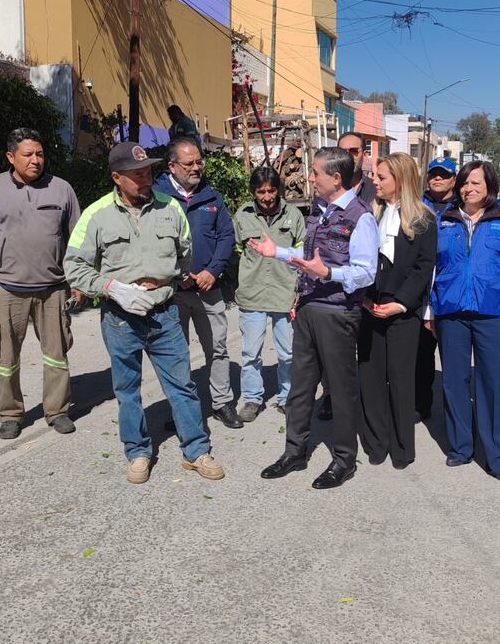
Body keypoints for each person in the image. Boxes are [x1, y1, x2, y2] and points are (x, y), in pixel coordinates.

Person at [63, 141, 224, 485]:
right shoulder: (96, 215)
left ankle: (196, 450)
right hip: (120, 318)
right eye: (137, 175)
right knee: (127, 389)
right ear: (117, 178)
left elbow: (184, 254)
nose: (146, 179)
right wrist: (112, 289)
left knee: (182, 385)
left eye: (149, 171)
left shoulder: (170, 208)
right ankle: (137, 451)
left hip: (165, 313)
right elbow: (74, 266)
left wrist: (167, 283)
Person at [250, 147, 379, 489]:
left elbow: (366, 273)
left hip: (337, 312)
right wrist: (275, 252)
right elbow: (308, 256)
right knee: (301, 387)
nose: (309, 177)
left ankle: (344, 459)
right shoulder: (318, 211)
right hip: (308, 307)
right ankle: (295, 452)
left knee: (340, 388)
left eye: (316, 172)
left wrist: (329, 273)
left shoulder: (360, 217)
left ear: (336, 178)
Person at [0, 128, 81, 440]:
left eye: (40, 154)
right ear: (10, 157)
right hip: (4, 289)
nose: (35, 160)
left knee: (57, 353)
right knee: (5, 357)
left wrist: (77, 281)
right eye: (28, 154)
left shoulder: (61, 189)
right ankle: (11, 413)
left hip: (53, 288)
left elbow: (77, 239)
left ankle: (57, 411)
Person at [430, 160, 500, 484]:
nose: (469, 189)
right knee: (454, 382)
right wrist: (431, 312)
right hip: (451, 311)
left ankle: (499, 458)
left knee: (493, 385)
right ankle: (461, 447)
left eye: (476, 184)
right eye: (465, 184)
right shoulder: (444, 219)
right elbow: (433, 269)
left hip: (492, 313)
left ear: (490, 187)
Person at [153, 137, 241, 428]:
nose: (196, 168)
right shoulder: (156, 197)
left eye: (199, 162)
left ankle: (222, 403)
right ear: (172, 166)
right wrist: (179, 274)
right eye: (189, 163)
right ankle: (180, 409)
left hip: (208, 287)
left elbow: (227, 236)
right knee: (174, 353)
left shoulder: (211, 196)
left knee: (216, 347)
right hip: (172, 292)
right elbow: (150, 243)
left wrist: (212, 271)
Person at [359, 153, 437, 469]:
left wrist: (401, 303)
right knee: (371, 376)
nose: (374, 181)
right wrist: (364, 298)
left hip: (402, 310)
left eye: (381, 177)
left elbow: (423, 267)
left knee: (401, 380)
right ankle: (376, 443)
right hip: (370, 304)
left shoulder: (423, 219)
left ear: (400, 181)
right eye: (375, 176)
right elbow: (360, 260)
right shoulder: (370, 214)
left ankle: (402, 447)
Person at [232, 167, 306, 422]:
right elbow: (238, 251)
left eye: (271, 190)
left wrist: (298, 288)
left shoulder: (294, 215)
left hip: (284, 294)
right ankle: (252, 399)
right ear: (253, 191)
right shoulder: (242, 216)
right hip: (252, 295)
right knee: (250, 353)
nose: (266, 196)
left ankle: (287, 397)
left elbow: (302, 254)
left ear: (278, 190)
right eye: (261, 191)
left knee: (287, 353)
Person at [313, 132, 377, 422]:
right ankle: (331, 397)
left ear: (364, 154)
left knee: (364, 357)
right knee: (334, 358)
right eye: (343, 151)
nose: (350, 155)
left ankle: (362, 405)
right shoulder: (323, 199)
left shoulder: (375, 192)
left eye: (354, 150)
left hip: (368, 291)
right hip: (337, 293)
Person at [416, 156, 458, 420]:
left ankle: (456, 412)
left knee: (453, 357)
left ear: (453, 178)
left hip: (451, 288)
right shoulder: (417, 204)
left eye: (444, 175)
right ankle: (421, 404)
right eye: (434, 174)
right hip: (421, 290)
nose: (438, 179)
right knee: (421, 354)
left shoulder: (464, 205)